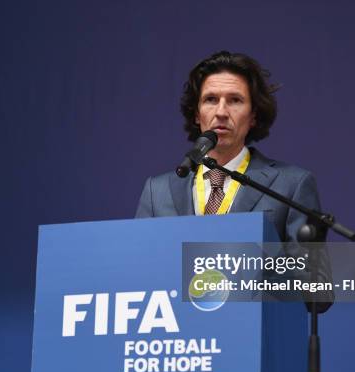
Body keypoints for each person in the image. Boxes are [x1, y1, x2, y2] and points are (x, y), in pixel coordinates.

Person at [135, 51, 321, 244]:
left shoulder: (291, 186)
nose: (221, 112)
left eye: (235, 100)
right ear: (197, 114)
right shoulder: (156, 191)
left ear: (253, 116)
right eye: (211, 99)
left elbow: (310, 272)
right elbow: (139, 264)